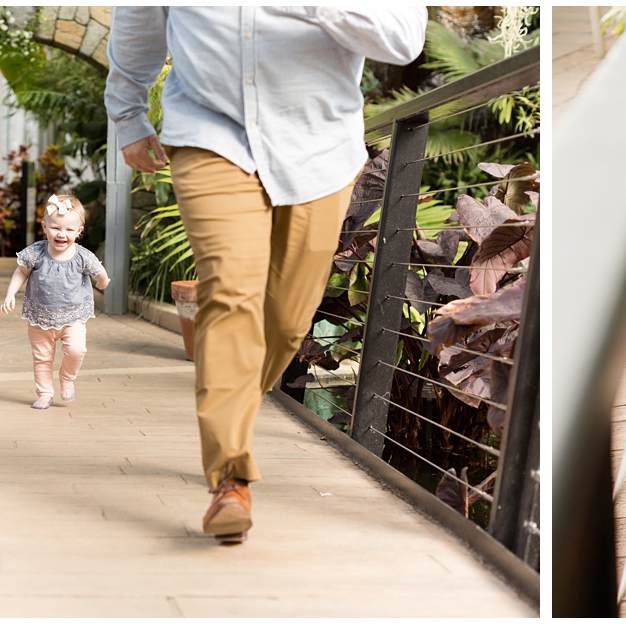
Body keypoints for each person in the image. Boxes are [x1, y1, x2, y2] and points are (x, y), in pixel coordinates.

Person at [106, 7, 426, 544]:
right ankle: (230, 478)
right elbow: (140, 20)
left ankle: (228, 406)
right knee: (230, 294)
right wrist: (129, 116)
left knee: (284, 321)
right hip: (209, 135)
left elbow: (401, 39)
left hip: (318, 147)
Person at [0, 195, 109, 410]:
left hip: (73, 317)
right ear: (45, 227)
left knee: (77, 350)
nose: (61, 234)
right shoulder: (36, 253)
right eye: (55, 228)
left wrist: (103, 283)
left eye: (69, 230)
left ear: (79, 231)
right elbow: (21, 272)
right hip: (40, 316)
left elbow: (100, 273)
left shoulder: (82, 257)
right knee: (41, 358)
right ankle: (45, 393)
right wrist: (10, 294)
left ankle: (67, 377)